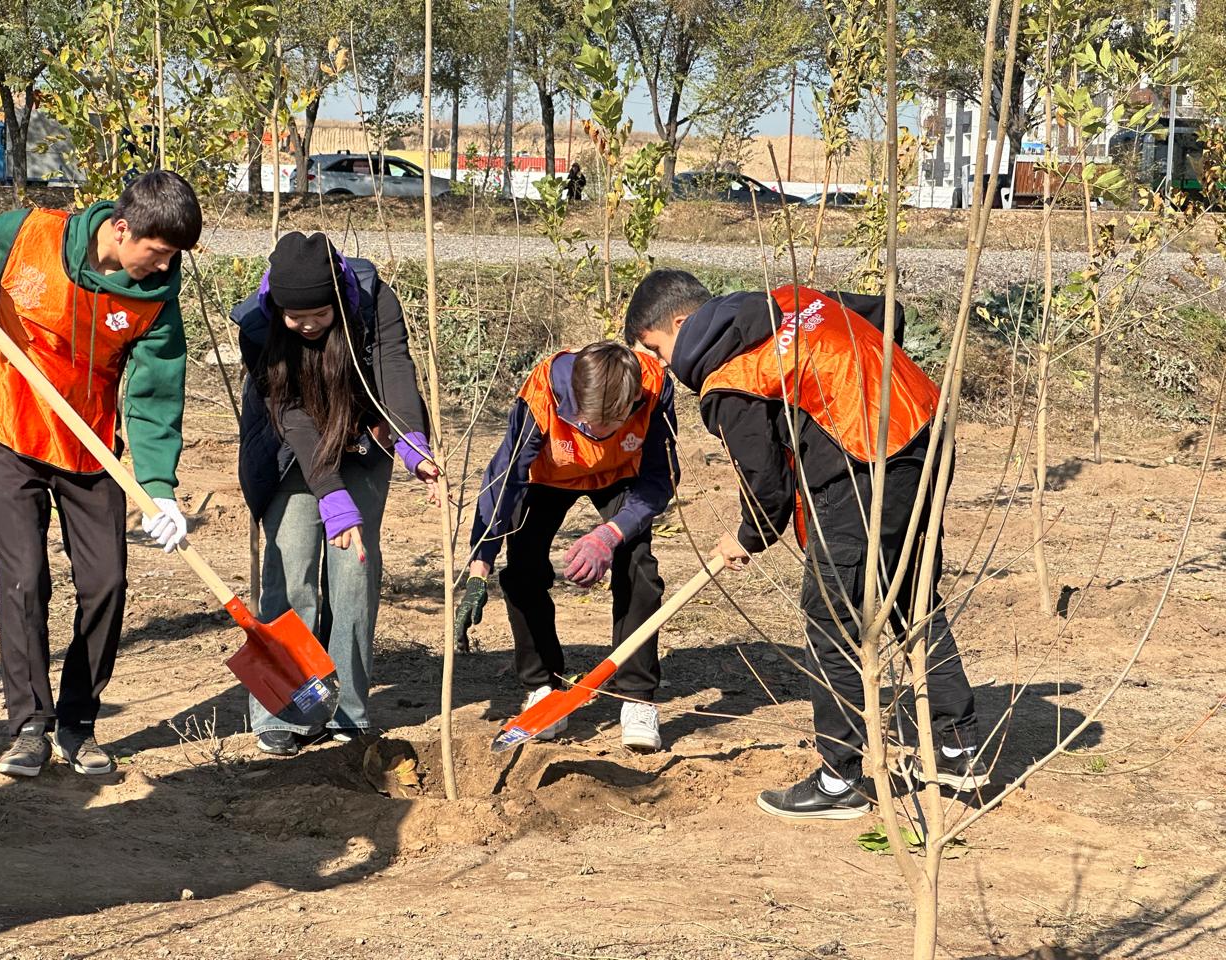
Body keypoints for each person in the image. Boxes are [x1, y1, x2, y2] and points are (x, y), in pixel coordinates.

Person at [623, 269, 987, 819]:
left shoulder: (732, 376)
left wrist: (748, 536)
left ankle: (841, 780)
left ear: (680, 322)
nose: (663, 367)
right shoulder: (788, 300)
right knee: (908, 597)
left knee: (830, 616)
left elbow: (766, 485)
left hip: (865, 462)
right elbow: (884, 314)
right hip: (923, 426)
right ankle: (958, 751)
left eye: (656, 349)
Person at [0, 171, 202, 777]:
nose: (162, 266)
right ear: (121, 227)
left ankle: (77, 723)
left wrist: (159, 490)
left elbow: (154, 396)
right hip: (12, 431)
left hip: (91, 451)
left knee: (106, 581)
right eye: (156, 252)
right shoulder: (32, 236)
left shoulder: (155, 304)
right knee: (25, 578)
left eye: (172, 257)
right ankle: (29, 726)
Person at [232, 231, 438, 757]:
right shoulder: (259, 324)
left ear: (338, 300)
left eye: (317, 314)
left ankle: (346, 708)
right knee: (293, 568)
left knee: (354, 571)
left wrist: (412, 441)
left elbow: (394, 371)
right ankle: (287, 709)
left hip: (364, 440)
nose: (304, 325)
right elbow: (292, 414)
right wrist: (328, 492)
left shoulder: (372, 300)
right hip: (289, 450)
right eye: (293, 316)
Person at [454, 342, 677, 752]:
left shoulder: (655, 386)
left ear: (633, 404)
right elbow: (504, 482)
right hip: (548, 476)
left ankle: (636, 696)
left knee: (639, 565)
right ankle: (543, 688)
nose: (595, 434)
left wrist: (612, 532)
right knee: (523, 569)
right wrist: (479, 565)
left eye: (610, 426)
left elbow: (660, 479)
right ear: (573, 401)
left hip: (622, 476)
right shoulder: (540, 396)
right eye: (588, 423)